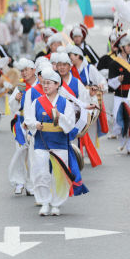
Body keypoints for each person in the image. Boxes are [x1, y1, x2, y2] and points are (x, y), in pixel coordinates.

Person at [26, 68, 87, 216]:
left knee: (59, 175)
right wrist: (35, 125)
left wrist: (60, 117)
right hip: (42, 141)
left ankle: (56, 203)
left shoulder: (65, 103)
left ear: (57, 85)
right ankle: (44, 201)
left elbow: (71, 124)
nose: (45, 86)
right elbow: (28, 118)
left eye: (49, 83)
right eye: (44, 83)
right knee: (40, 171)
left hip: (59, 142)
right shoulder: (37, 102)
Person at [8, 58, 41, 196]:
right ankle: (19, 181)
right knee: (21, 152)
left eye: (26, 70)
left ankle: (32, 184)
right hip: (21, 122)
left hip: (37, 124)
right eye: (22, 70)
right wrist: (16, 99)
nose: (24, 73)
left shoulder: (41, 85)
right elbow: (12, 106)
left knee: (34, 155)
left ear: (33, 70)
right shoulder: (20, 86)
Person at [107, 33, 130, 153]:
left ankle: (129, 146)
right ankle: (122, 142)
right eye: (128, 45)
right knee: (120, 121)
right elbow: (110, 84)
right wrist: (118, 80)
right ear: (122, 47)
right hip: (119, 96)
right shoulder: (114, 63)